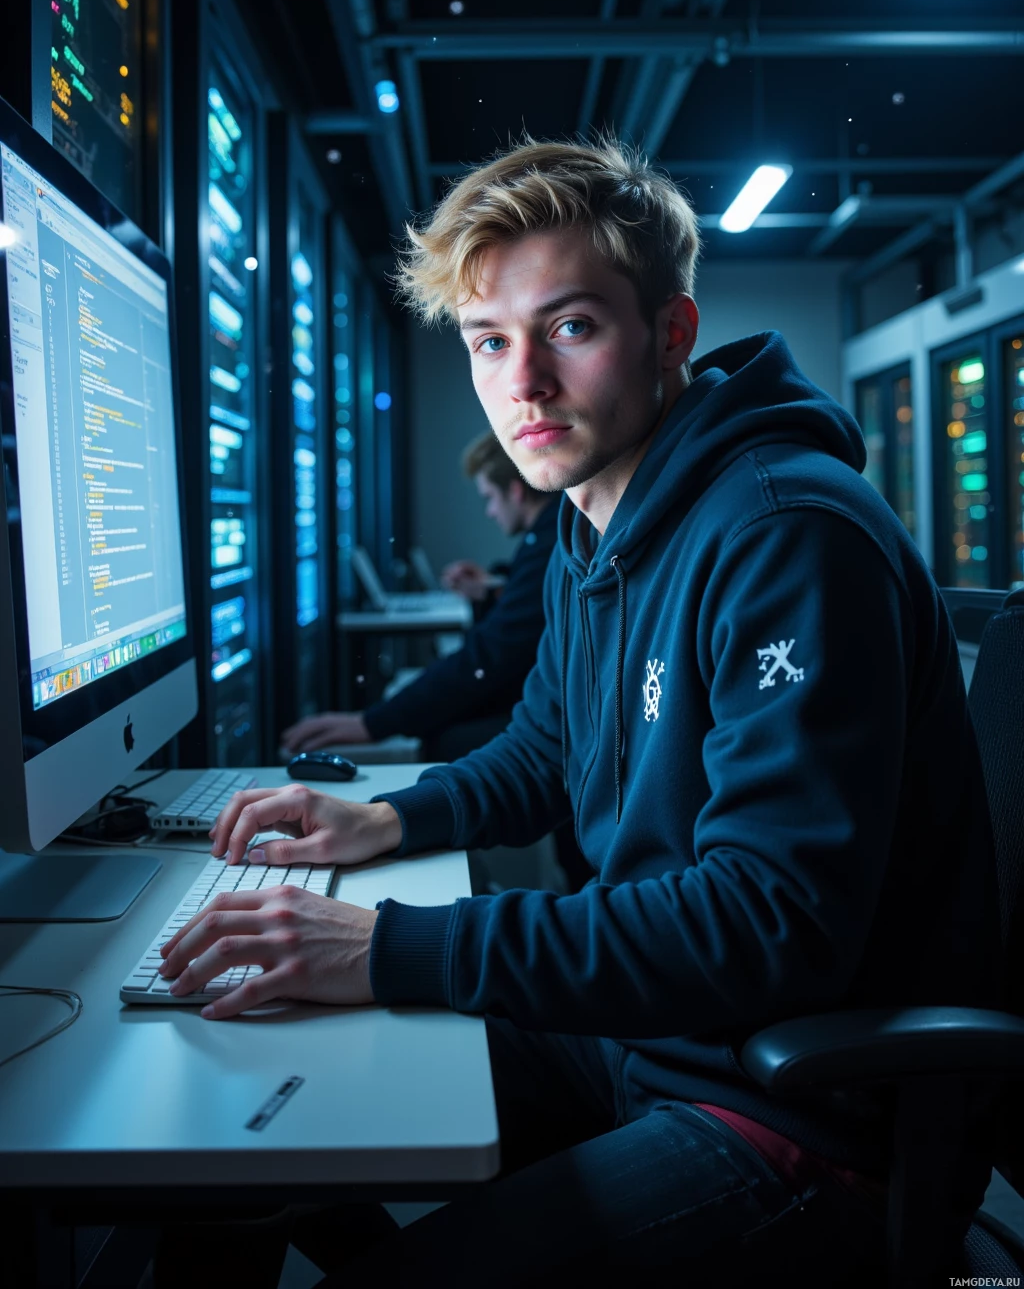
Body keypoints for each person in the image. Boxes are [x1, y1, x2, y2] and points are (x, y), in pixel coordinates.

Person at [158, 137, 1003, 1286]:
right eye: (488, 343)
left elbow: (769, 922)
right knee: (242, 1127)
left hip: (792, 1117)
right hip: (644, 1042)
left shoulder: (784, 534)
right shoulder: (592, 518)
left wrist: (396, 945)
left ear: (670, 332)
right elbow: (549, 749)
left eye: (570, 328)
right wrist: (387, 822)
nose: (524, 387)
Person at [281, 432, 559, 766]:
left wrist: (372, 723)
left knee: (447, 741)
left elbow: (491, 655)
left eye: (490, 497)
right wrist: (493, 589)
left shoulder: (550, 540)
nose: (489, 511)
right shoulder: (551, 533)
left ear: (515, 490)